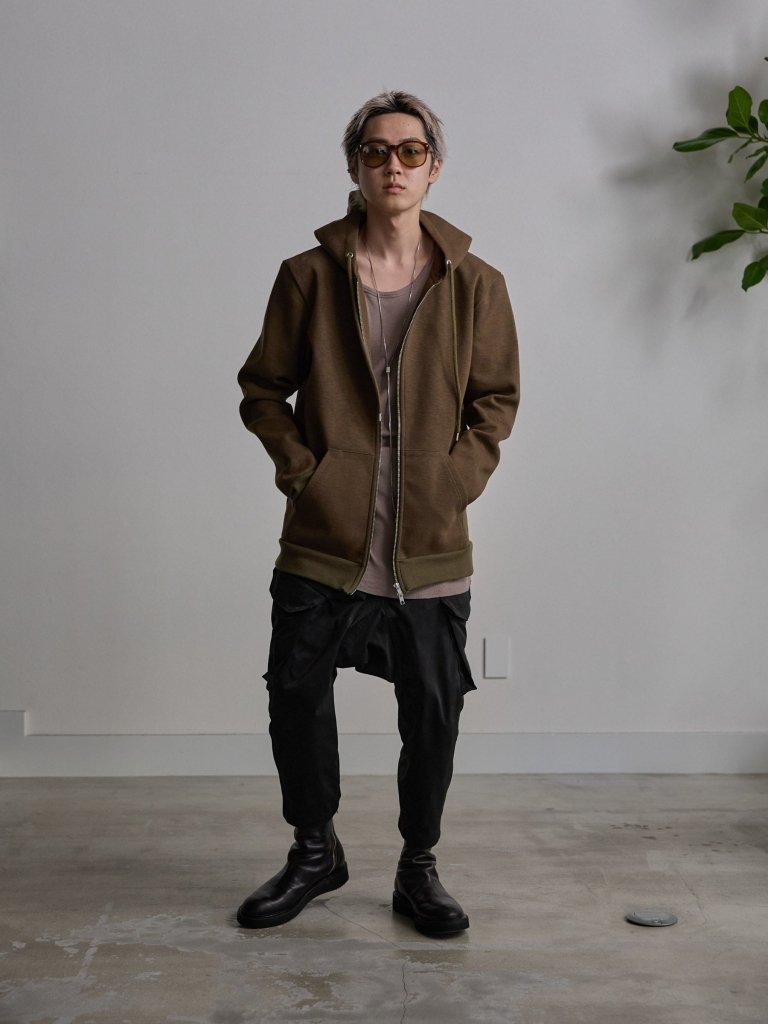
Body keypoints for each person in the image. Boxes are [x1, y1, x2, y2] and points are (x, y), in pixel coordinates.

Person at [235, 91, 520, 936]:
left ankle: (418, 867)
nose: (392, 165)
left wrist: (454, 481)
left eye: (409, 151)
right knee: (295, 694)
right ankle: (313, 851)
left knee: (433, 709)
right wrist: (306, 475)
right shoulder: (308, 276)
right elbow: (262, 390)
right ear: (354, 167)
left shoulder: (477, 284)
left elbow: (496, 400)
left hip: (428, 541)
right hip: (325, 540)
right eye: (374, 151)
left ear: (434, 167)